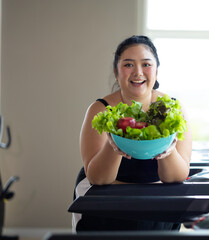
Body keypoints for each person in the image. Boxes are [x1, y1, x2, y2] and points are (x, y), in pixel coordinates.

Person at [72, 35, 192, 232]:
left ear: (156, 71)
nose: (138, 72)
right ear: (116, 72)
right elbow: (98, 179)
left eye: (146, 64)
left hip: (155, 204)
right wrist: (114, 146)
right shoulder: (100, 109)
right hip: (103, 205)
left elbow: (176, 177)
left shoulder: (173, 109)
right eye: (128, 65)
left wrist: (167, 149)